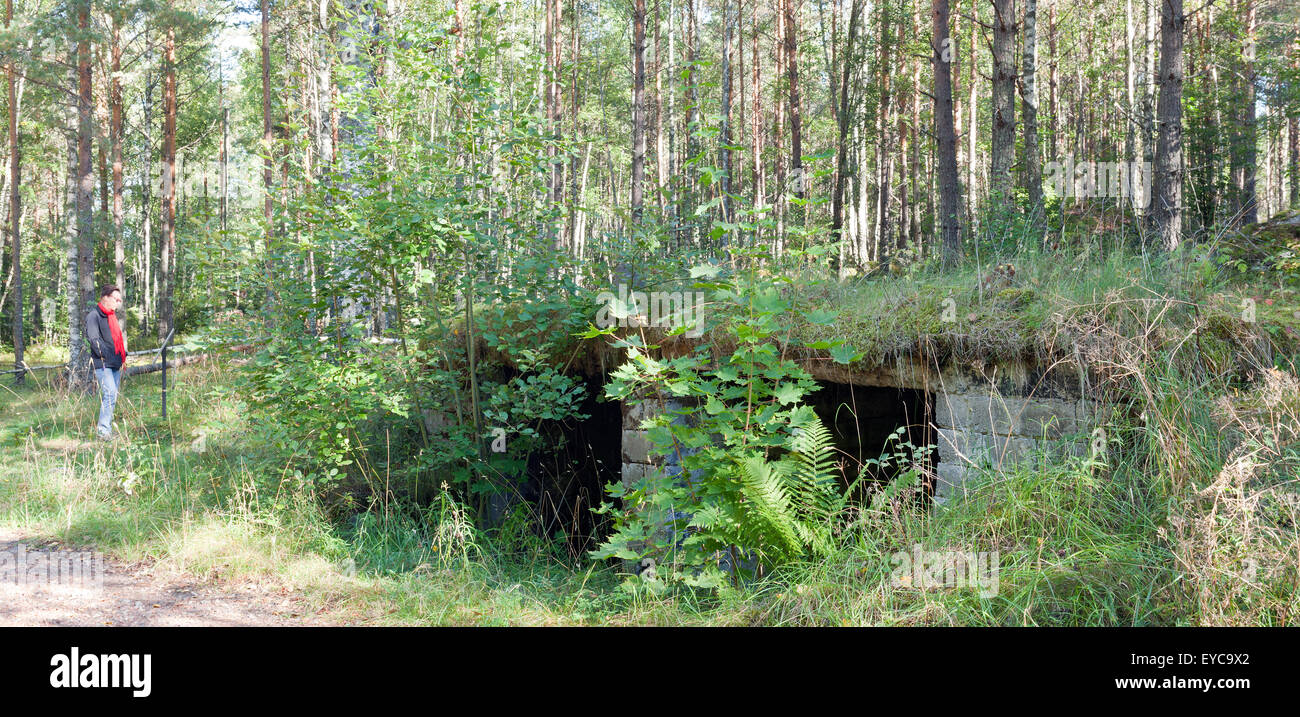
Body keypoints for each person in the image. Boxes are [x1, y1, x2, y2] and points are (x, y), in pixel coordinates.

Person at [86, 285, 128, 440]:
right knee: (110, 394)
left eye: (119, 300)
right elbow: (94, 339)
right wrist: (108, 355)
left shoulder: (111, 316)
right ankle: (103, 431)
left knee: (112, 396)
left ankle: (106, 429)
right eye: (115, 299)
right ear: (105, 297)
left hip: (115, 363)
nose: (118, 303)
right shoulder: (94, 316)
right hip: (103, 364)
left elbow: (114, 340)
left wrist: (121, 355)